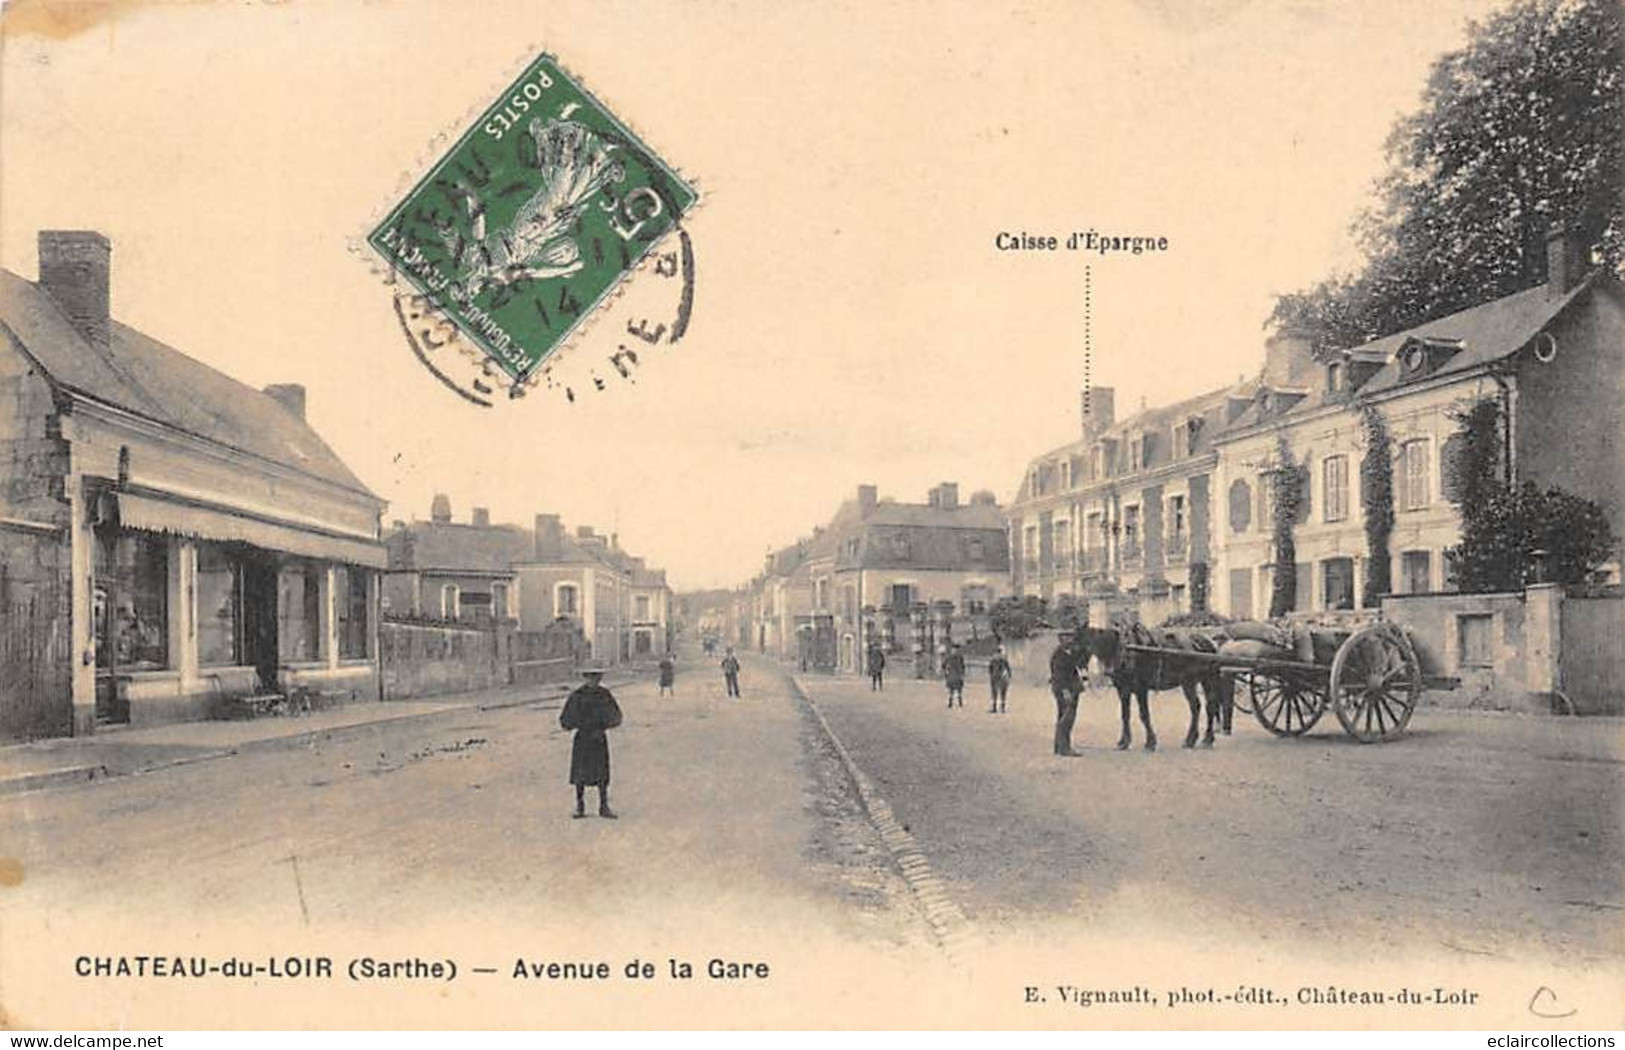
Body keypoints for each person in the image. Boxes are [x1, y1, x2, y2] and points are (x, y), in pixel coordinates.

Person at [560, 664, 623, 819]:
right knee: (580, 775)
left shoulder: (604, 695)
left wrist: (604, 723)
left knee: (602, 774)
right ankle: (580, 806)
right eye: (590, 676)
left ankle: (603, 806)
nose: (593, 680)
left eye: (596, 677)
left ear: (600, 678)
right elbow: (565, 719)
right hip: (583, 738)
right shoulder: (577, 695)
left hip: (598, 738)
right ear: (585, 677)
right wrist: (575, 723)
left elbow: (616, 716)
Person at [1049, 631, 1088, 756]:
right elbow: (1058, 675)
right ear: (1061, 639)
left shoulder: (1069, 652)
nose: (1070, 639)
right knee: (1067, 718)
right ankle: (1065, 748)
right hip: (1064, 689)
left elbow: (1081, 660)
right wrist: (1065, 691)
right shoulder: (1059, 654)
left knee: (1062, 716)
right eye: (1066, 637)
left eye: (1071, 637)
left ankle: (1058, 746)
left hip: (1069, 688)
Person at [988, 645, 1012, 713]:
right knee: (1003, 693)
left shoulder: (993, 659)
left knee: (995, 693)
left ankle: (995, 707)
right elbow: (1008, 668)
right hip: (1002, 677)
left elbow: (990, 668)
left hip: (995, 677)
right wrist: (1009, 676)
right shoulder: (1004, 659)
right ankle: (1002, 708)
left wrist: (991, 675)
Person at [942, 644, 966, 708]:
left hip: (957, 675)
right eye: (954, 650)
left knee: (959, 690)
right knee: (951, 690)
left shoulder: (960, 658)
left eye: (956, 650)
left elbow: (963, 666)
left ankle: (959, 702)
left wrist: (962, 674)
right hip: (952, 675)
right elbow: (943, 665)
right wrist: (946, 672)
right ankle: (951, 702)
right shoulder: (949, 657)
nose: (955, 651)